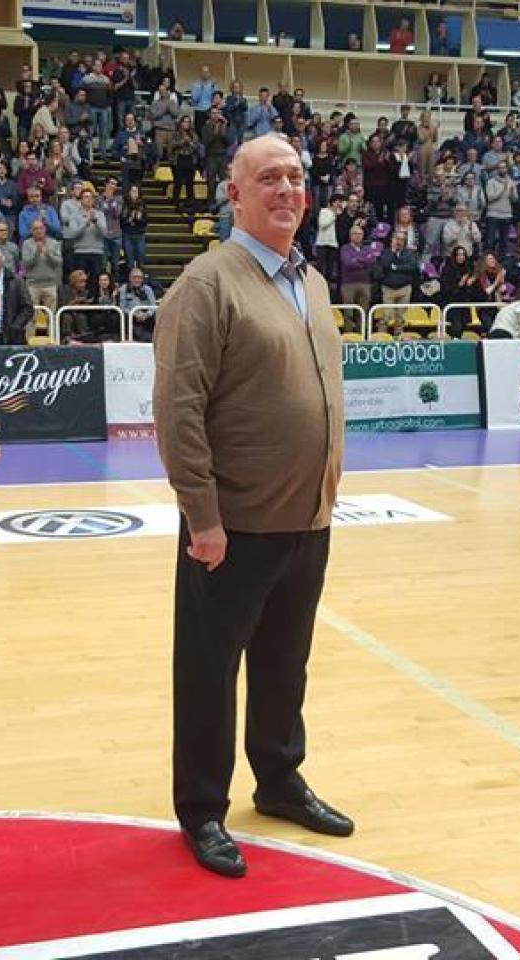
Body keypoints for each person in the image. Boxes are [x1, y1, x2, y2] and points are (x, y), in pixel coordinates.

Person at [153, 135, 352, 880]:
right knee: (209, 672)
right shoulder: (207, 283)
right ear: (233, 194)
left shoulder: (313, 280)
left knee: (283, 665)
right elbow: (178, 407)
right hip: (230, 527)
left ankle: (278, 780)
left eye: (296, 178)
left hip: (308, 519)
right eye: (268, 178)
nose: (286, 190)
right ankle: (202, 808)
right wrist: (201, 514)